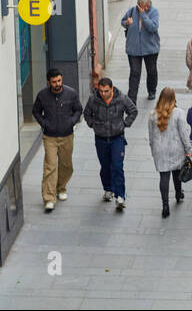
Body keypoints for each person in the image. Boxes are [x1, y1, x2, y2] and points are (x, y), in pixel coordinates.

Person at [83, 75, 137, 210]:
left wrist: (125, 124)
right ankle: (108, 189)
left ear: (112, 89)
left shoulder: (122, 98)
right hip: (100, 138)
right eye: (101, 91)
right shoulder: (93, 100)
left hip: (117, 138)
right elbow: (87, 114)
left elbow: (133, 111)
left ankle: (120, 196)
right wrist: (93, 125)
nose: (103, 94)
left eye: (106, 91)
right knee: (105, 166)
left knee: (117, 166)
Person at [32, 68, 82, 213]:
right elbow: (36, 111)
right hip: (50, 137)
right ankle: (49, 198)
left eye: (59, 81)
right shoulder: (42, 95)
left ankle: (61, 187)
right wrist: (44, 123)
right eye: (54, 82)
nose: (57, 84)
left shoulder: (71, 93)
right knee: (50, 166)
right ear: (49, 82)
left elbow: (78, 109)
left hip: (67, 135)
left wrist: (71, 121)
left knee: (66, 165)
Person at [147, 87, 191, 219]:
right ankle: (178, 194)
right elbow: (184, 134)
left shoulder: (153, 114)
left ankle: (165, 205)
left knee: (164, 177)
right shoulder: (178, 113)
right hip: (176, 148)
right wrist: (188, 150)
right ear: (174, 98)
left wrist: (153, 149)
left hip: (160, 150)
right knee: (177, 173)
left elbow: (150, 135)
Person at [121, 0, 160, 103]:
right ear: (138, 5)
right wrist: (126, 23)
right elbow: (123, 21)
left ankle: (152, 90)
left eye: (147, 6)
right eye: (142, 6)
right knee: (135, 73)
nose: (145, 8)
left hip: (150, 49)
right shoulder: (132, 11)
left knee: (151, 71)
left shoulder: (154, 12)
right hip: (133, 48)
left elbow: (153, 27)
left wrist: (143, 15)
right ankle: (132, 99)